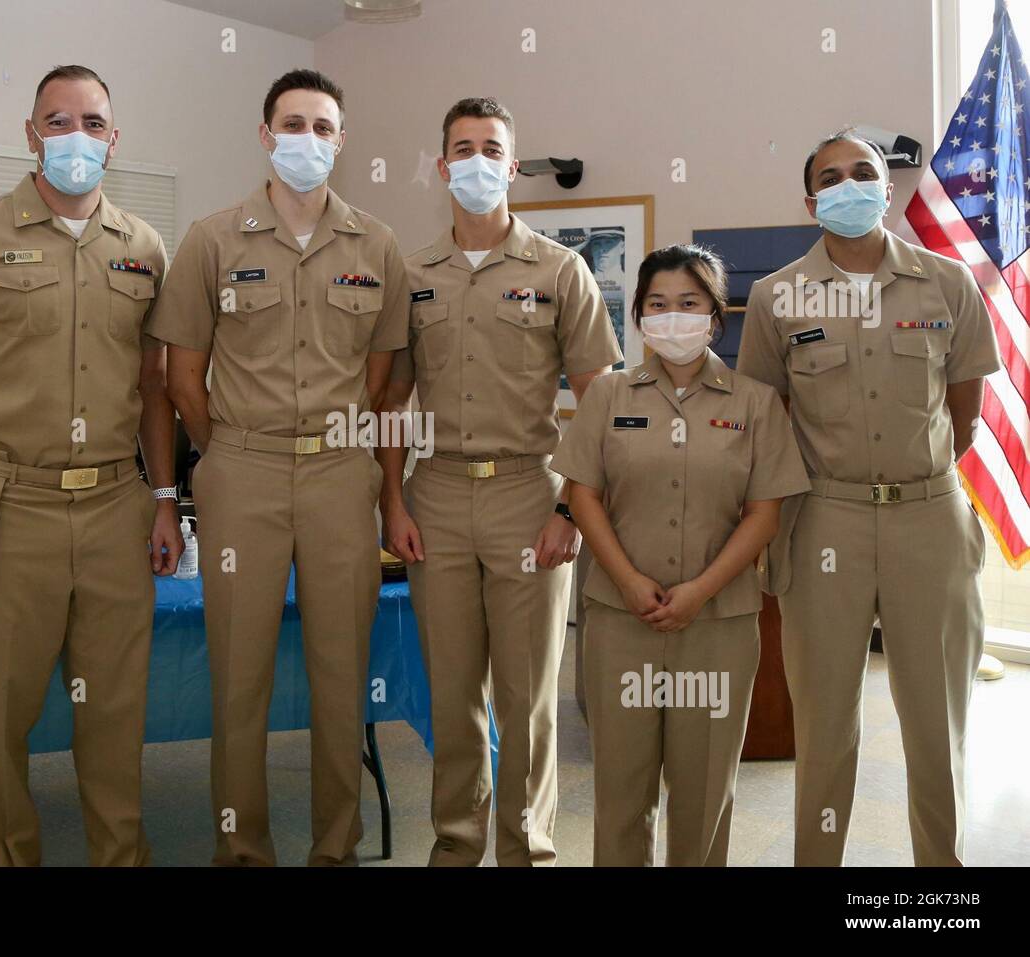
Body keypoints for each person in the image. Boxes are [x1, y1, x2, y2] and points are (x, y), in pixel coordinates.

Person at [0, 65, 182, 866]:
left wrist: (164, 498)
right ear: (31, 135)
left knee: (115, 720)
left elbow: (154, 388)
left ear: (113, 140)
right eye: (57, 122)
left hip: (115, 509)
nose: (76, 138)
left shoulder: (145, 247)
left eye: (92, 123)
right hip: (5, 503)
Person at [155, 69, 409, 866]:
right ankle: (243, 851)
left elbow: (385, 377)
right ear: (265, 137)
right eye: (291, 124)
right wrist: (227, 446)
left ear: (342, 139)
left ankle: (335, 848)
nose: (307, 139)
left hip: (340, 472)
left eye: (323, 126)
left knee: (342, 677)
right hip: (242, 469)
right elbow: (181, 376)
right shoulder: (212, 237)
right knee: (240, 679)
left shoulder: (378, 243)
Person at [738, 130, 1000, 866]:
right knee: (823, 724)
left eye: (864, 173)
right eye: (830, 175)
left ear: (889, 190)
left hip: (930, 516)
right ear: (811, 197)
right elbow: (766, 418)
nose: (847, 184)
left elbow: (966, 414)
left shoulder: (948, 282)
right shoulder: (774, 296)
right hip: (826, 517)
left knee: (936, 721)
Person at [378, 97, 621, 866]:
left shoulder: (559, 269)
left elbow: (601, 400)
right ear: (441, 164)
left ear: (512, 166)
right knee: (451, 697)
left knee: (528, 701)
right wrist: (391, 497)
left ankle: (526, 848)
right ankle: (455, 846)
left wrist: (569, 507)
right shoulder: (412, 275)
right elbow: (390, 400)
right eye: (462, 147)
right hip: (436, 495)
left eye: (492, 148)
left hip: (528, 494)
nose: (477, 160)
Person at [552, 244, 810, 866]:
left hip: (718, 626)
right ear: (638, 317)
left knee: (702, 794)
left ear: (716, 317)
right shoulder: (608, 397)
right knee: (621, 792)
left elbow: (764, 515)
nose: (674, 317)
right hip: (620, 622)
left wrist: (699, 591)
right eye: (658, 305)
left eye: (689, 304)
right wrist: (628, 580)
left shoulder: (754, 403)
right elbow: (582, 496)